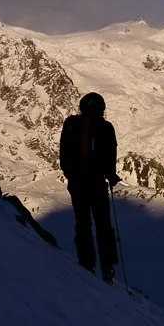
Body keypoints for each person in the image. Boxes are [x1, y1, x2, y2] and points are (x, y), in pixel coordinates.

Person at [59, 93, 123, 283]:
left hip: (77, 184)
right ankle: (107, 267)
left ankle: (87, 263)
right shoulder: (105, 127)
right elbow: (109, 156)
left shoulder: (71, 125)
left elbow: (64, 155)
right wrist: (110, 176)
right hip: (96, 184)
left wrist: (73, 175)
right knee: (103, 225)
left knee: (83, 223)